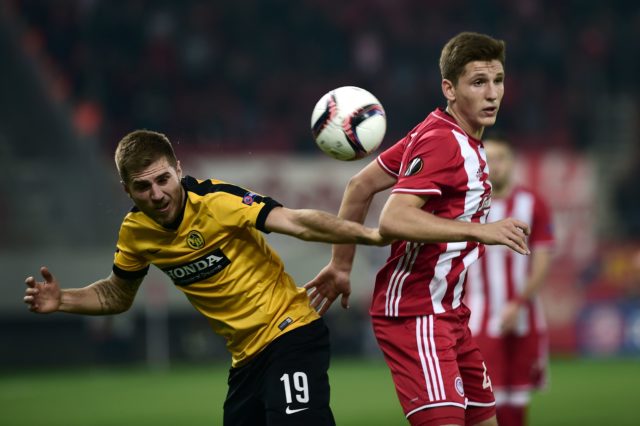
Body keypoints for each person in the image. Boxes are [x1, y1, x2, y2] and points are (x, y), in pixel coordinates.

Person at [23, 129, 388, 426]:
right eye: (142, 187)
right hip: (245, 361)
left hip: (290, 333)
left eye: (163, 179)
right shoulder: (135, 233)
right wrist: (63, 300)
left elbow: (295, 222)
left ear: (177, 169)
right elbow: (118, 294)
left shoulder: (216, 201)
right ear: (126, 190)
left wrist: (367, 233)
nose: (157, 194)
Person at [305, 32, 530, 426]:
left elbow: (359, 186)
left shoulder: (441, 130)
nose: (492, 93)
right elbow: (394, 219)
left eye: (498, 80)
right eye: (478, 82)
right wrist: (481, 231)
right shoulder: (443, 142)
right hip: (416, 313)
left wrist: (341, 266)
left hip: (449, 314)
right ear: (450, 87)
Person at [465, 136, 554, 426]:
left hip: (525, 316)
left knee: (517, 402)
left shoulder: (532, 203)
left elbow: (542, 260)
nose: (495, 165)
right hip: (480, 317)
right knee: (485, 402)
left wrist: (519, 302)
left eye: (501, 158)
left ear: (512, 163)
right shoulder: (469, 206)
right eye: (488, 158)